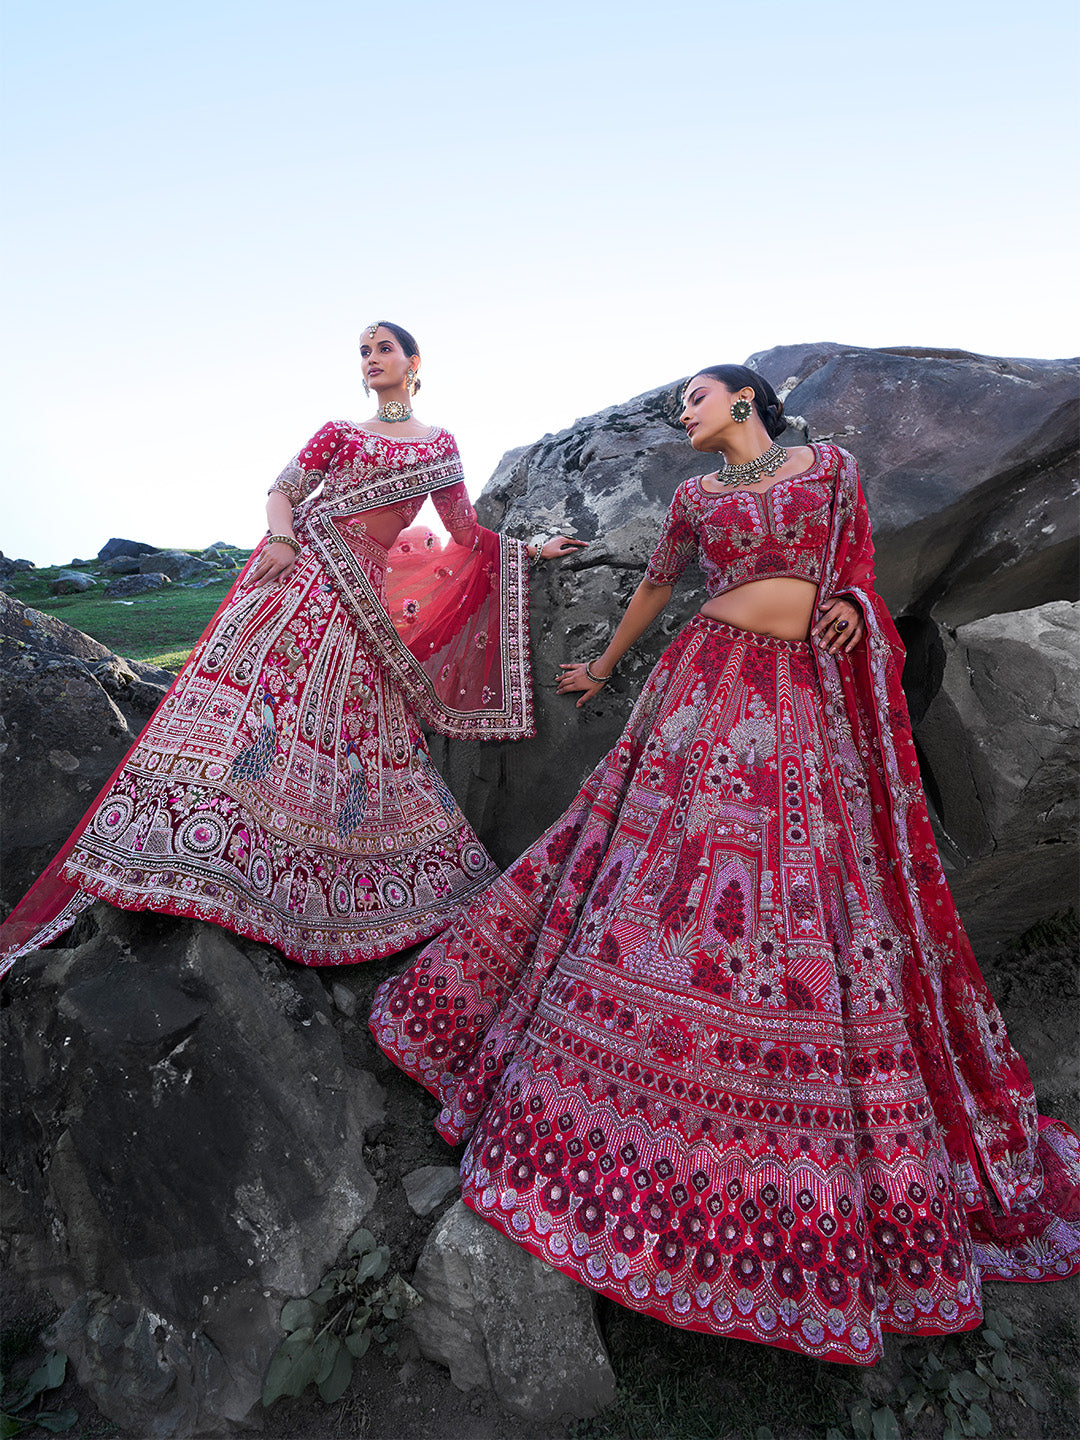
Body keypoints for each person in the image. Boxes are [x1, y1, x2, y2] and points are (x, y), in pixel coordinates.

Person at [370, 363, 1080, 1365]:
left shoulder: (829, 470)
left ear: (744, 400)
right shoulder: (693, 498)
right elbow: (662, 585)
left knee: (799, 898)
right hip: (700, 696)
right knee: (653, 877)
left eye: (695, 399)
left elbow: (855, 574)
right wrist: (605, 666)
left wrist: (853, 612)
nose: (682, 412)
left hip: (799, 705)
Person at [0, 322, 583, 974]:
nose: (371, 360)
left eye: (383, 348)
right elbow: (284, 490)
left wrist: (529, 551)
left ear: (414, 362)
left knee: (342, 724)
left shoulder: (438, 447)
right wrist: (279, 539)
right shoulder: (338, 431)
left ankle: (310, 878)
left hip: (361, 591)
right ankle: (198, 847)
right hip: (296, 569)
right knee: (249, 697)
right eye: (363, 352)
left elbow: (462, 531)